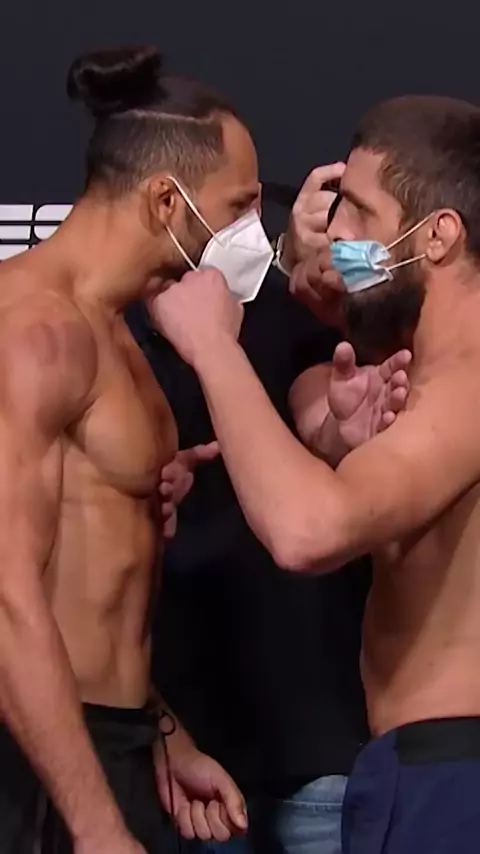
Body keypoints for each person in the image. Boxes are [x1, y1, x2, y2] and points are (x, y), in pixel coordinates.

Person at [150, 94, 480, 853]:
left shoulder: (467, 382)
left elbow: (308, 532)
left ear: (437, 236)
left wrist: (214, 348)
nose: (334, 235)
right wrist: (334, 326)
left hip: (451, 778)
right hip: (421, 765)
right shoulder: (424, 368)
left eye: (358, 210)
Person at [0, 42, 275, 853]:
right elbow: (6, 599)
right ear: (165, 200)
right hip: (30, 772)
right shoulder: (33, 332)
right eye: (239, 206)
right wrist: (94, 828)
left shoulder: (117, 331)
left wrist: (163, 734)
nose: (253, 233)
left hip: (111, 743)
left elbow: (88, 575)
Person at [138, 167, 410, 854]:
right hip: (183, 745)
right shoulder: (109, 332)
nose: (254, 210)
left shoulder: (318, 315)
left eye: (257, 197)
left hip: (324, 741)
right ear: (165, 199)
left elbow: (323, 417)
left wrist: (337, 430)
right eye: (237, 199)